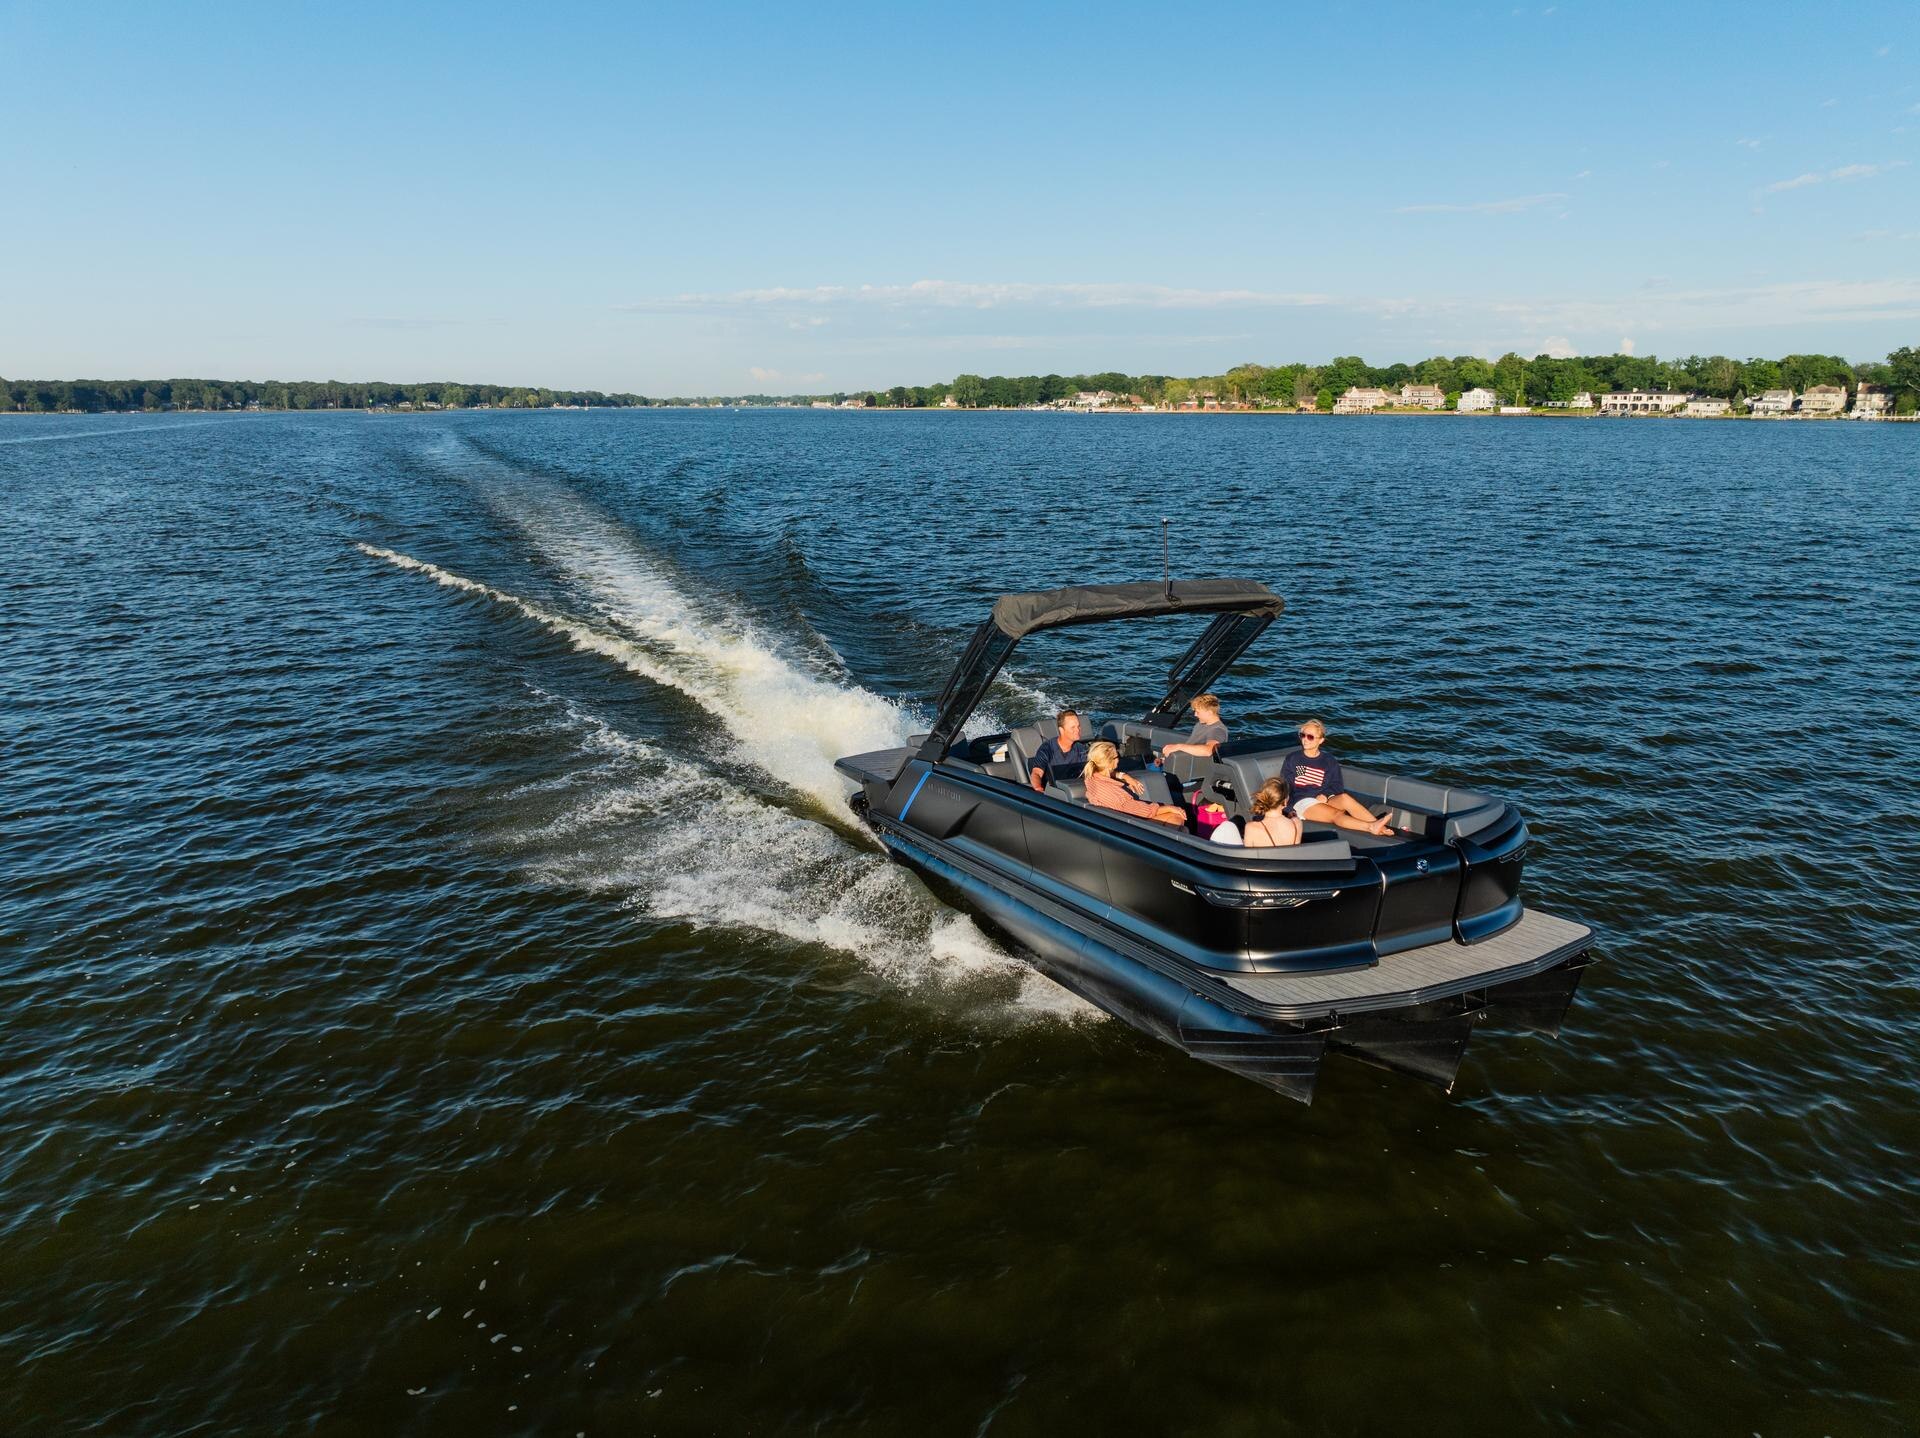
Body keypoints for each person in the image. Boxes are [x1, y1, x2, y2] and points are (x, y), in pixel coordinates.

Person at [1280, 717, 1394, 836]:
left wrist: (1325, 795)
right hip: (1302, 801)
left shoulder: (1329, 760)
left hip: (1323, 799)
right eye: (1302, 735)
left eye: (1310, 737)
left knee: (1345, 798)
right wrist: (1288, 810)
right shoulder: (1293, 758)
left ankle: (1380, 826)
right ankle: (1371, 827)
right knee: (1336, 814)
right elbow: (1285, 788)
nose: (1305, 740)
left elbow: (1337, 785)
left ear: (1321, 740)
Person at [1081, 741, 1185, 826]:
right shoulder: (1112, 793)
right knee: (1176, 817)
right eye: (1117, 757)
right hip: (1128, 827)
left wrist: (1125, 776)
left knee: (1183, 830)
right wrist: (1169, 807)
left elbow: (1109, 774)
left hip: (1118, 821)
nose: (1119, 759)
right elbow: (1144, 811)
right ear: (1108, 762)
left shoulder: (1091, 778)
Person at [1156, 693, 1229, 764]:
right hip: (1182, 761)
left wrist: (1178, 746)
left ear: (1209, 712)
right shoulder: (1200, 724)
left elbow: (1208, 751)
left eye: (1198, 712)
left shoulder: (1217, 730)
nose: (1195, 714)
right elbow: (1191, 745)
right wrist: (1164, 760)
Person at [1028, 708, 1089, 791]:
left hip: (1076, 791)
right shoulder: (1047, 749)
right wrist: (1039, 789)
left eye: (1078, 726)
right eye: (1073, 727)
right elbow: (1037, 773)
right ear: (1061, 730)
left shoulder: (1081, 748)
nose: (1077, 730)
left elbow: (1090, 772)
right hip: (1055, 794)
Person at [1242, 777, 1303, 848]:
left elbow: (1248, 857)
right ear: (1285, 802)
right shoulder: (1296, 824)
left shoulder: (1251, 828)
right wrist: (1291, 818)